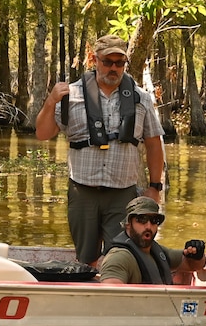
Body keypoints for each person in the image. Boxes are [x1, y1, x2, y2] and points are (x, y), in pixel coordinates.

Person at [36, 34, 165, 267]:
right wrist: (50, 101)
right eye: (107, 62)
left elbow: (154, 144)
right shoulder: (70, 95)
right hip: (82, 190)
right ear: (94, 60)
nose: (113, 68)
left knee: (122, 257)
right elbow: (43, 134)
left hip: (122, 193)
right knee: (86, 258)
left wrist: (155, 187)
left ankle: (116, 294)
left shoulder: (141, 99)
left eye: (119, 63)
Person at [99, 197, 206, 284]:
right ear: (128, 224)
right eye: (142, 219)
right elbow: (112, 296)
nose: (149, 226)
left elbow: (194, 266)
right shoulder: (118, 258)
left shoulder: (157, 251)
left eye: (154, 220)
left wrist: (197, 255)